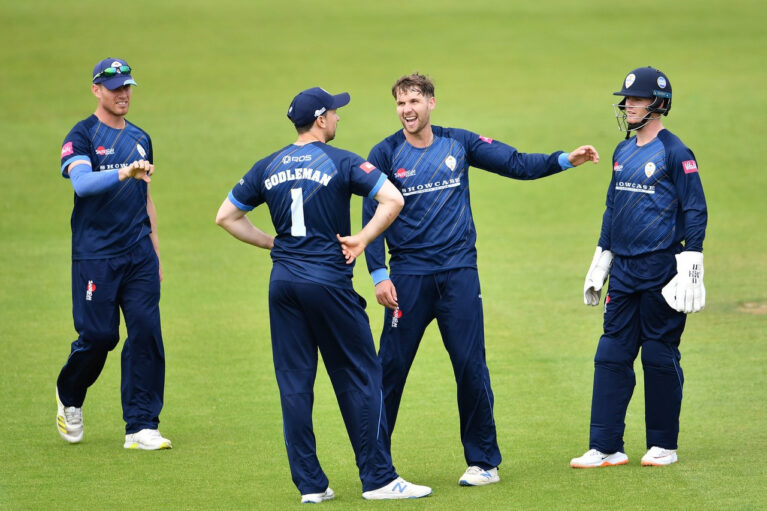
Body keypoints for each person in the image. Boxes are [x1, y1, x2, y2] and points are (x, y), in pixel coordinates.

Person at [361, 73, 600, 486]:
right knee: (390, 370)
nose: (407, 110)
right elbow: (372, 213)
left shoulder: (458, 143)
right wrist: (379, 274)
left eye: (414, 101)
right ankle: (377, 467)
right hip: (407, 278)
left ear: (431, 102)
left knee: (470, 366)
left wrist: (564, 160)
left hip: (458, 275)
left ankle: (483, 462)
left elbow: (515, 163)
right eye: (400, 103)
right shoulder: (384, 153)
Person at [215, 87, 432, 503]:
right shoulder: (342, 161)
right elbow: (393, 198)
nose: (338, 117)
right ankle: (378, 479)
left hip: (283, 285)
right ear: (320, 119)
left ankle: (311, 486)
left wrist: (273, 244)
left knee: (295, 384)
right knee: (362, 376)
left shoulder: (267, 165)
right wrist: (363, 238)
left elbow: (226, 216)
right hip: (328, 284)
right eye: (334, 111)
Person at [570, 66, 707, 468]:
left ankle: (663, 444)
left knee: (659, 355)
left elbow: (695, 209)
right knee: (611, 353)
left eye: (636, 99)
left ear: (658, 104)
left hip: (662, 268)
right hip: (625, 271)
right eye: (626, 99)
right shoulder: (623, 151)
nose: (628, 105)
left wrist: (692, 261)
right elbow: (612, 206)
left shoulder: (676, 152)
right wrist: (602, 257)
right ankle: (605, 446)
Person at [56, 58, 171, 450]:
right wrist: (123, 172)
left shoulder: (140, 137)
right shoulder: (82, 135)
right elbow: (83, 184)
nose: (123, 94)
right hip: (96, 255)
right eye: (115, 87)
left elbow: (146, 198)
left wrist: (155, 251)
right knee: (99, 336)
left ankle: (141, 426)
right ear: (96, 90)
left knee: (146, 334)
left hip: (138, 254)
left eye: (127, 87)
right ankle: (69, 394)